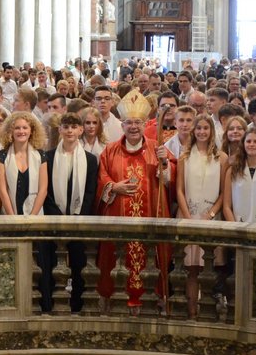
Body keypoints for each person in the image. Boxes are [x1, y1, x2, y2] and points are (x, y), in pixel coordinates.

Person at [95, 101, 172, 314]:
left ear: (145, 124)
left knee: (148, 257)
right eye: (129, 122)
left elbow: (169, 180)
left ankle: (152, 299)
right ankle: (114, 299)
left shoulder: (157, 149)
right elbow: (101, 177)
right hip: (118, 219)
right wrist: (113, 186)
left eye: (138, 122)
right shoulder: (110, 151)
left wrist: (165, 165)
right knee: (117, 258)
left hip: (149, 220)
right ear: (122, 126)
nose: (133, 127)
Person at [38, 113, 99, 313]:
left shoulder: (90, 160)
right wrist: (57, 216)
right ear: (60, 130)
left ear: (81, 130)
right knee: (51, 263)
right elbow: (44, 191)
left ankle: (77, 305)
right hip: (54, 218)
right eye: (66, 127)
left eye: (74, 127)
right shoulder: (48, 156)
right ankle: (52, 303)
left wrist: (79, 216)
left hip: (79, 219)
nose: (70, 130)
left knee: (79, 263)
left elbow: (90, 191)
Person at [176, 116, 226, 319]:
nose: (202, 132)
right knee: (192, 268)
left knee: (210, 267)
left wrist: (212, 213)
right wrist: (188, 217)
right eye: (199, 128)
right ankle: (192, 311)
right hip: (188, 215)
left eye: (206, 128)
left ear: (212, 131)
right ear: (193, 131)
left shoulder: (221, 157)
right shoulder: (184, 156)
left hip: (211, 217)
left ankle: (209, 309)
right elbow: (179, 190)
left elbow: (224, 192)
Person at [0, 112, 48, 217]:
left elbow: (43, 190)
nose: (21, 131)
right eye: (17, 128)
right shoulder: (1, 156)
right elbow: (2, 190)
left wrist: (32, 216)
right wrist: (12, 218)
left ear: (31, 131)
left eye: (25, 128)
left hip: (36, 215)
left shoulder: (40, 155)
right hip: (9, 214)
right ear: (11, 131)